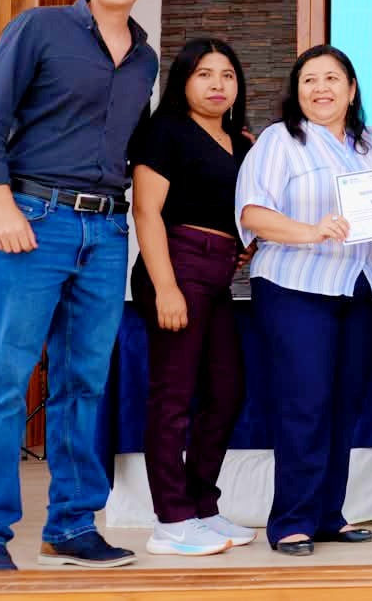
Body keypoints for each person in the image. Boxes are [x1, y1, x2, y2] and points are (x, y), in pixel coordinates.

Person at [0, 0, 159, 572]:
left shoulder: (145, 58)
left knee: (84, 384)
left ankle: (71, 525)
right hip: (33, 219)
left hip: (106, 230)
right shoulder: (40, 28)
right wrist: (1, 204)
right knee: (5, 379)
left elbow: (134, 146)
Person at [236, 45, 372, 556]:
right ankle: (292, 520)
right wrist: (310, 230)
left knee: (345, 403)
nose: (321, 88)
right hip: (295, 285)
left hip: (360, 286)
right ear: (297, 92)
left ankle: (329, 515)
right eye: (309, 79)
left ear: (351, 89)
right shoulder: (279, 140)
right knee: (304, 403)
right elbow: (252, 214)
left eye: (332, 78)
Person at [130, 39, 256, 556]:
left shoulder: (242, 143)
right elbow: (146, 212)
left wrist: (244, 246)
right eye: (204, 74)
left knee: (227, 392)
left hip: (218, 275)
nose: (217, 84)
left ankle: (203, 505)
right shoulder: (165, 131)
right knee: (173, 398)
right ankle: (171, 520)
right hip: (176, 267)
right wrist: (166, 287)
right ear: (183, 80)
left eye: (227, 74)